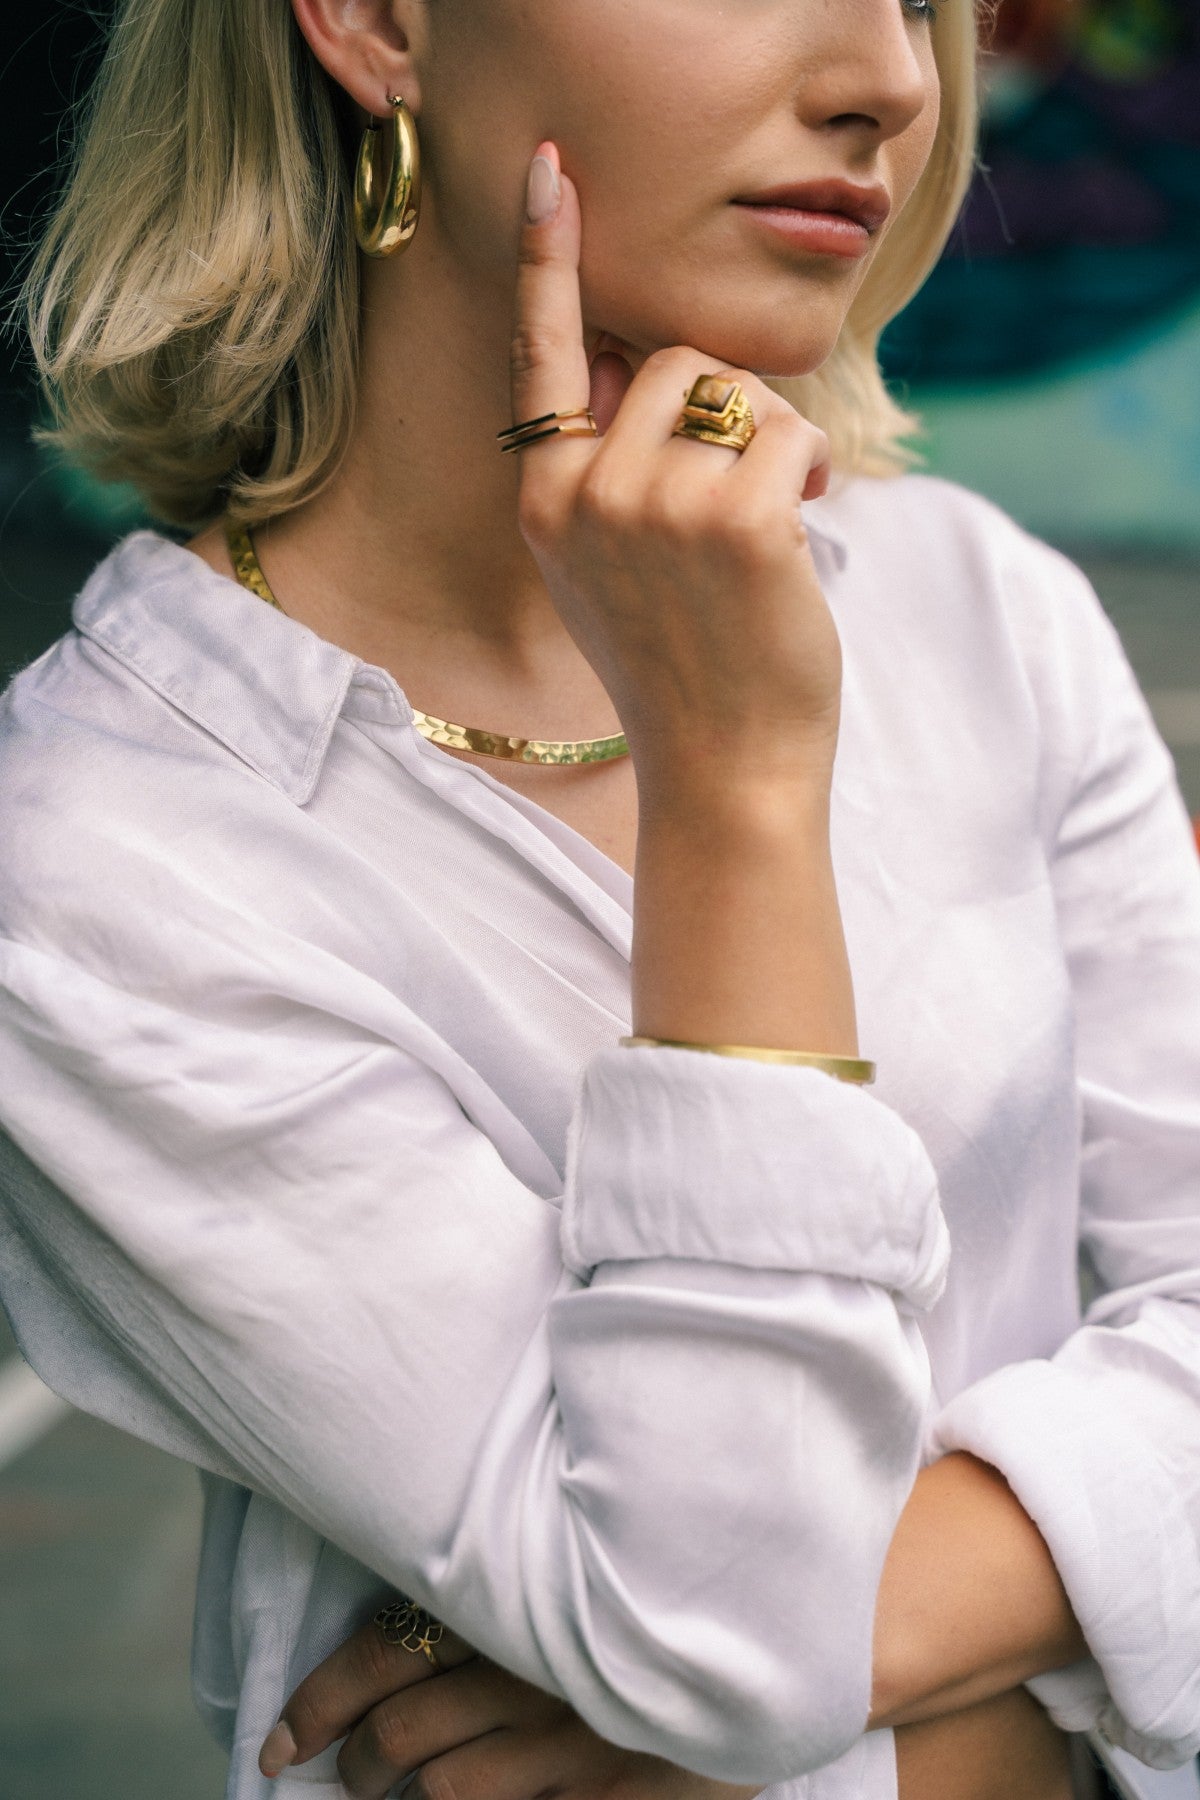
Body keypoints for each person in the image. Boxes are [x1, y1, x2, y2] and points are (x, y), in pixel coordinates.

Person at [0, 2, 1198, 1798]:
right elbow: (731, 1625)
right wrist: (737, 794)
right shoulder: (103, 867)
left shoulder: (980, 606)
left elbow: (734, 1656)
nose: (889, 78)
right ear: (383, 22)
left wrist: (873, 1690)